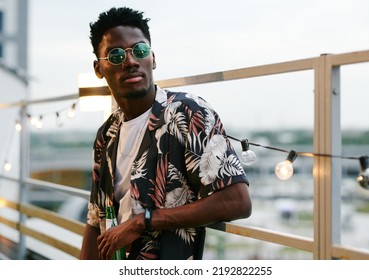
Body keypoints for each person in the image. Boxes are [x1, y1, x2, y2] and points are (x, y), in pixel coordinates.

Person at [80, 6, 252, 260]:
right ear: (98, 68)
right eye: (116, 55)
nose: (130, 61)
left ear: (153, 58)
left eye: (139, 50)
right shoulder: (106, 133)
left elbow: (237, 201)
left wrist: (143, 221)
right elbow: (96, 220)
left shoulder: (188, 113)